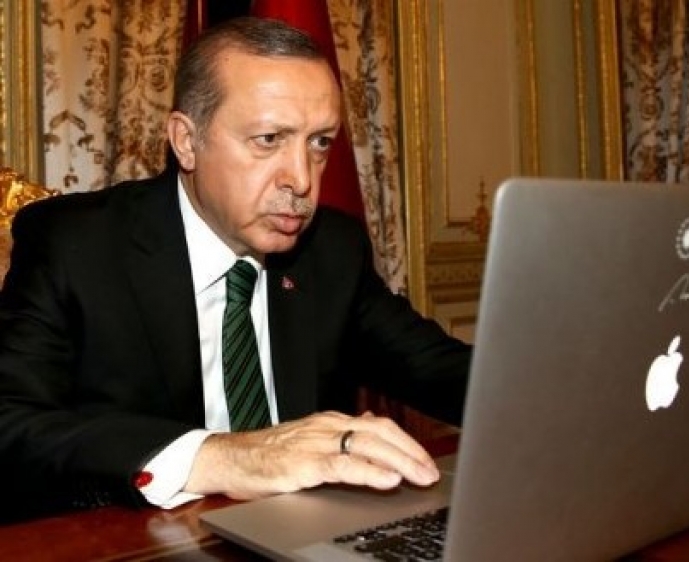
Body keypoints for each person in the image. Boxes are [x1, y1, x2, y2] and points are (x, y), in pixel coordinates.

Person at [0, 16, 471, 523]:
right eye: (269, 139)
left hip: (299, 532)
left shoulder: (331, 248)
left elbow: (442, 371)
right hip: (139, 537)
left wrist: (536, 388)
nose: (302, 180)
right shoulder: (79, 244)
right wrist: (227, 457)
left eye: (319, 143)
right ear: (186, 140)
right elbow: (11, 423)